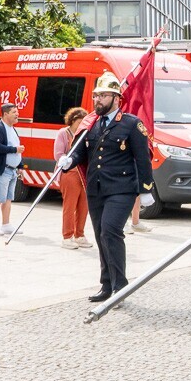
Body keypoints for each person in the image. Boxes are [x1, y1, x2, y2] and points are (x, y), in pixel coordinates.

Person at [58, 72, 155, 303]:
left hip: (122, 188)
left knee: (110, 231)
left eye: (103, 95)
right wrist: (69, 160)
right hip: (96, 188)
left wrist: (146, 188)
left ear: (116, 98)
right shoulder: (91, 124)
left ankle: (120, 288)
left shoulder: (131, 124)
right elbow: (83, 152)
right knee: (101, 235)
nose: (97, 100)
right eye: (96, 96)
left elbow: (143, 158)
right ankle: (106, 284)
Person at [54, 106, 91, 249]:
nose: (81, 125)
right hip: (69, 173)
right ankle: (67, 236)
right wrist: (65, 160)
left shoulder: (85, 135)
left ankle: (79, 235)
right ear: (72, 120)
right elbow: (58, 154)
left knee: (84, 205)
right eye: (79, 122)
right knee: (70, 206)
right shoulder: (63, 133)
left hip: (84, 174)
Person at [0, 102, 24, 236]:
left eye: (17, 112)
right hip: (2, 170)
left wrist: (20, 166)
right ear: (5, 114)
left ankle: (6, 224)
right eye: (14, 112)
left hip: (12, 170)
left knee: (8, 199)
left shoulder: (12, 128)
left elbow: (18, 149)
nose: (17, 114)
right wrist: (14, 150)